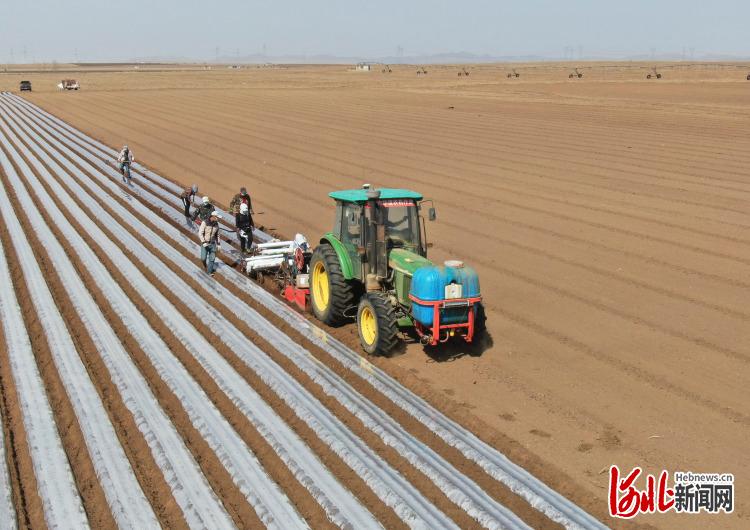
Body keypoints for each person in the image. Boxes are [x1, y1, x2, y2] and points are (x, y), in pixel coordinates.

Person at [199, 210, 221, 275]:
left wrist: (219, 244)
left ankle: (209, 272)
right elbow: (200, 233)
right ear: (213, 216)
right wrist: (203, 242)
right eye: (217, 217)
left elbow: (217, 235)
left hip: (212, 244)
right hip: (205, 243)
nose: (218, 219)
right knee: (203, 258)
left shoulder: (216, 225)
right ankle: (205, 265)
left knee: (212, 259)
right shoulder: (205, 223)